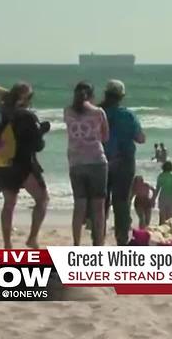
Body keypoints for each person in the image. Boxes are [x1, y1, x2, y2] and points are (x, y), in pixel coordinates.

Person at [0, 82, 50, 249]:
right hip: (23, 165)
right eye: (30, 97)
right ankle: (32, 238)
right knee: (42, 199)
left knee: (9, 204)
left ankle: (7, 244)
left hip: (3, 164)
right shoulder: (27, 116)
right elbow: (37, 146)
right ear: (25, 98)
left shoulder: (0, 113)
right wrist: (41, 132)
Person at [99, 79, 146, 245]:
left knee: (101, 202)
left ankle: (98, 239)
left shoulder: (97, 113)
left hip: (101, 160)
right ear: (121, 96)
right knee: (121, 202)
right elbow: (140, 138)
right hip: (124, 162)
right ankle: (122, 240)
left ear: (106, 94)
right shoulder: (127, 115)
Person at [64, 81, 109, 246]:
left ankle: (76, 244)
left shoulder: (67, 111)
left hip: (76, 162)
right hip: (97, 161)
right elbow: (105, 137)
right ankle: (99, 244)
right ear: (91, 95)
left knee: (79, 206)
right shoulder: (98, 112)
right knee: (98, 207)